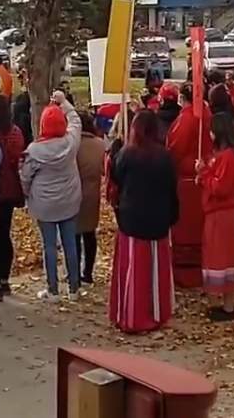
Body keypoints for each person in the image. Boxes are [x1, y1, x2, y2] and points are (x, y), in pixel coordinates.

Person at [107, 110, 179, 333]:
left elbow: (115, 179)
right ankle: (156, 313)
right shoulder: (164, 157)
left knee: (134, 270)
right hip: (157, 219)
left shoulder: (127, 155)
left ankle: (131, 313)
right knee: (155, 270)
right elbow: (171, 187)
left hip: (132, 219)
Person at [21, 92, 83, 301]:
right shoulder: (71, 143)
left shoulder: (34, 150)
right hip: (69, 200)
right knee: (70, 244)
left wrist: (27, 194)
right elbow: (76, 120)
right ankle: (74, 288)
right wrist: (64, 102)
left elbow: (26, 177)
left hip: (45, 204)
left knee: (49, 246)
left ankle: (53, 289)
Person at [197, 112, 234, 320]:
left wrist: (204, 174)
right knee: (225, 256)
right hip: (223, 211)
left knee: (220, 257)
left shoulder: (229, 157)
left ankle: (225, 304)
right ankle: (226, 303)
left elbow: (220, 187)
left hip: (221, 211)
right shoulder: (228, 154)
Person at [166, 85, 212, 288]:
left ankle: (187, 273)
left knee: (187, 227)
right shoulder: (204, 113)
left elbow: (176, 148)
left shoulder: (188, 118)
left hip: (188, 179)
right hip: (200, 173)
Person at [0, 94, 25, 299]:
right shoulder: (15, 133)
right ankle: (3, 278)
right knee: (4, 233)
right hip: (9, 189)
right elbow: (16, 159)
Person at [76, 112, 106, 287]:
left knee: (74, 235)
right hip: (92, 193)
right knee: (90, 234)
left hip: (74, 192)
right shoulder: (99, 145)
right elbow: (104, 169)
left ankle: (74, 271)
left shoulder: (73, 145)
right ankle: (88, 272)